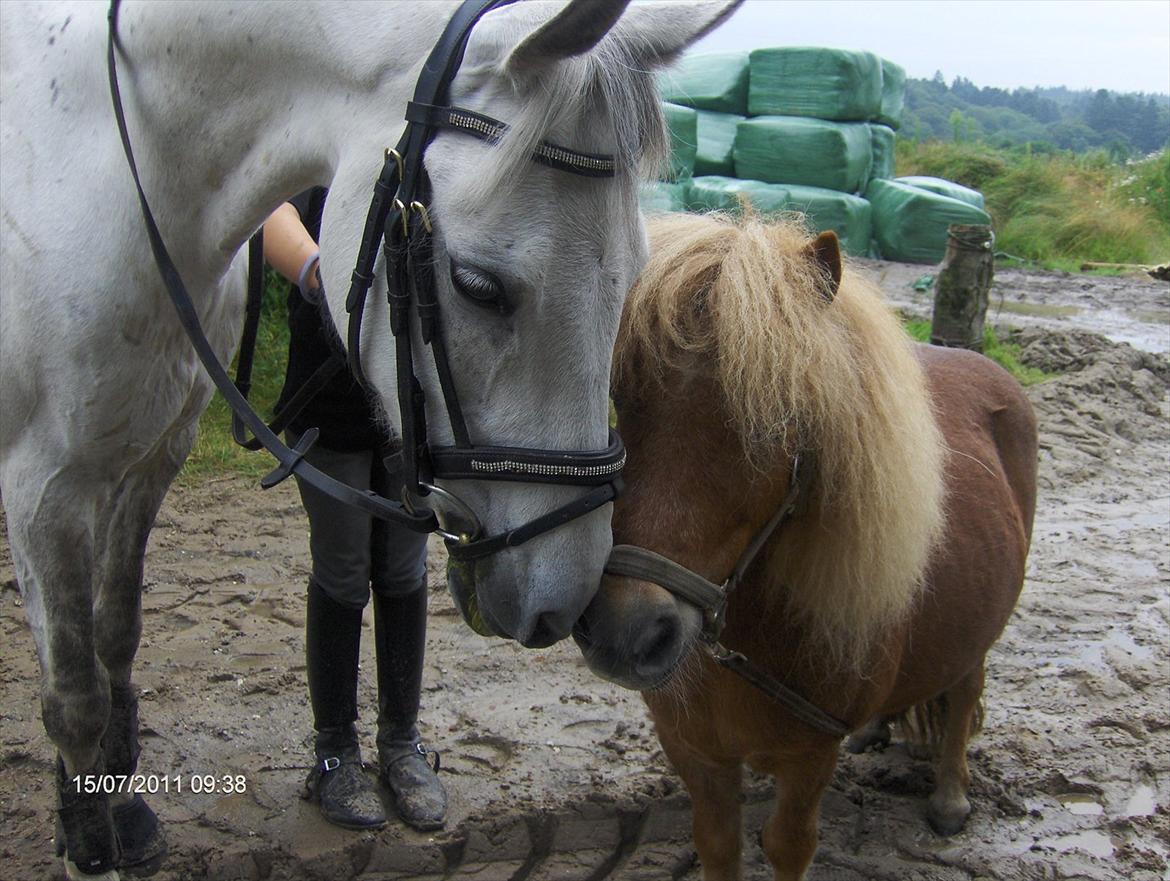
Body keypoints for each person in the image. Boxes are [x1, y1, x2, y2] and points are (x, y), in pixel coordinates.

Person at [262, 188, 447, 831]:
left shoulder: (433, 146)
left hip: (411, 402)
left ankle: (402, 746)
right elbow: (270, 209)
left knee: (403, 567)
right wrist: (318, 270)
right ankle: (336, 754)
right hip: (328, 397)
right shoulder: (322, 117)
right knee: (341, 569)